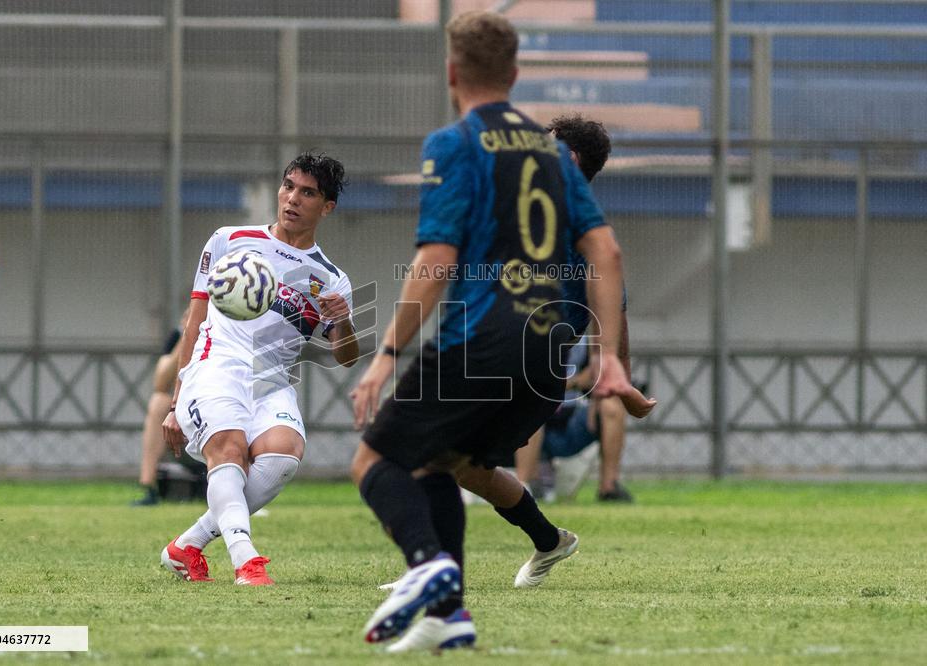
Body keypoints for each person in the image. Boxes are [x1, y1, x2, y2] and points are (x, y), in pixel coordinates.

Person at [349, 11, 655, 653]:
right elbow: (610, 255)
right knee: (443, 460)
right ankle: (450, 614)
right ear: (515, 75)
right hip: (544, 357)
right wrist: (610, 361)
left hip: (482, 335)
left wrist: (385, 355)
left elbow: (436, 261)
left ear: (452, 72)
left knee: (376, 459)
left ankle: (429, 567)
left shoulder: (454, 143)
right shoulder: (554, 157)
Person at [159, 153, 358, 585]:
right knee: (228, 448)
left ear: (327, 208)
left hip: (271, 378)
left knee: (283, 455)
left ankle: (185, 546)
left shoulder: (331, 279)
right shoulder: (229, 240)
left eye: (307, 193)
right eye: (288, 186)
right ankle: (245, 560)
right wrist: (176, 402)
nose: (292, 199)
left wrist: (342, 320)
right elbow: (194, 321)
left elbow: (346, 355)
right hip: (215, 364)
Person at [515, 115, 636, 503]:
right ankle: (524, 493)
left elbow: (615, 308)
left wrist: (621, 379)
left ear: (569, 158)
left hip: (540, 376)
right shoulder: (539, 211)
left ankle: (602, 487)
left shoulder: (580, 225)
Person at [130, 313, 186, 507]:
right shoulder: (179, 335)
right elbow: (161, 383)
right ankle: (149, 487)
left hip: (220, 401)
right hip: (188, 408)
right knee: (159, 401)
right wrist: (187, 337)